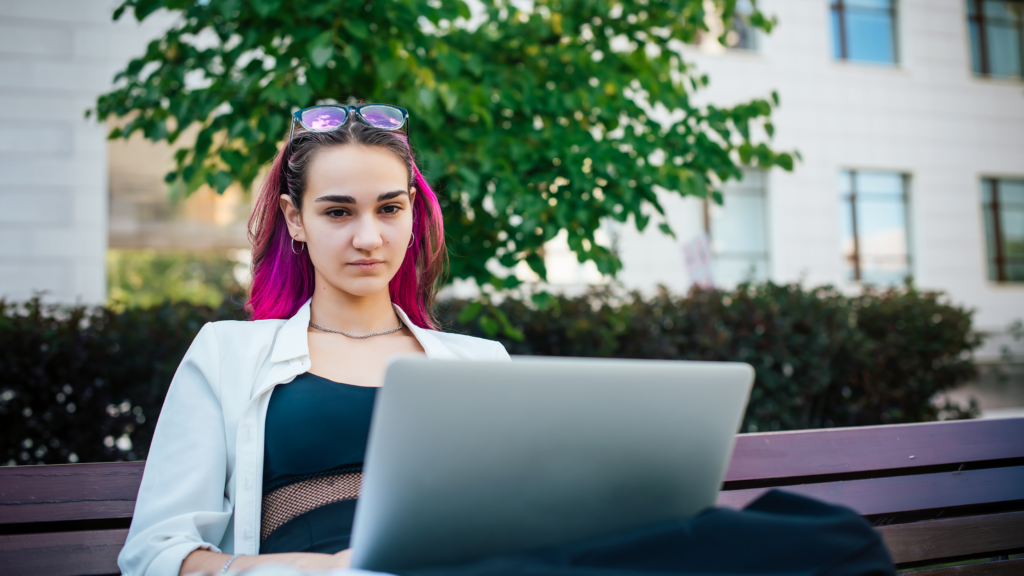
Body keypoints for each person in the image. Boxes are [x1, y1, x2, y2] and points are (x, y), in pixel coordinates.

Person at [118, 102, 895, 576]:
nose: (368, 236)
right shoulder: (229, 354)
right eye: (337, 211)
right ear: (295, 220)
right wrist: (313, 566)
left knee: (825, 537)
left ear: (412, 215)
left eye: (390, 209)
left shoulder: (475, 364)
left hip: (513, 562)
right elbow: (156, 553)